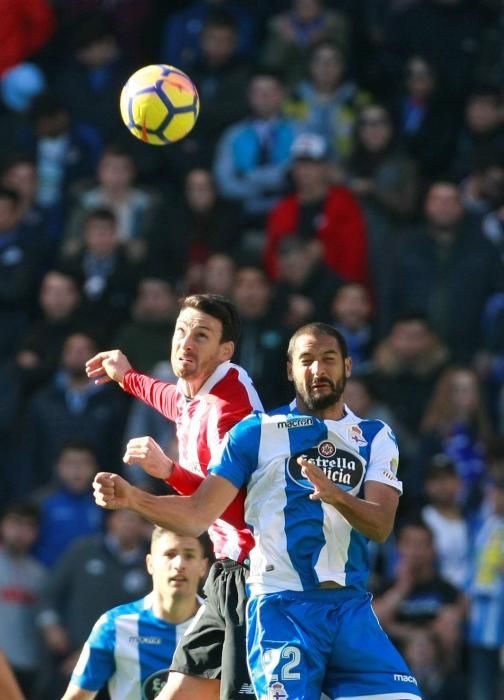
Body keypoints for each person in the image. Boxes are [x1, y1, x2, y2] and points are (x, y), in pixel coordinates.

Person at [92, 322, 422, 700]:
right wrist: (135, 500)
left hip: (352, 608)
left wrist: (338, 497)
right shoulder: (256, 432)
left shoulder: (376, 435)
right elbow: (200, 513)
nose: (317, 370)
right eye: (306, 360)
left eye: (328, 359)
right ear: (289, 370)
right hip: (282, 608)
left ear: (347, 366)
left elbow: (380, 525)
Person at [85, 293, 263, 700]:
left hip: (258, 575)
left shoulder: (230, 410)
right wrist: (127, 375)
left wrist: (164, 474)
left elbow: (218, 509)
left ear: (225, 351)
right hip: (228, 572)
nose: (186, 342)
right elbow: (175, 401)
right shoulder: (201, 390)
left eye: (201, 336)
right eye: (182, 331)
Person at [61, 526, 209, 700]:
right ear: (150, 564)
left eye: (189, 556)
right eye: (169, 554)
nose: (179, 564)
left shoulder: (221, 626)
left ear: (203, 567)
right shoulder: (115, 625)